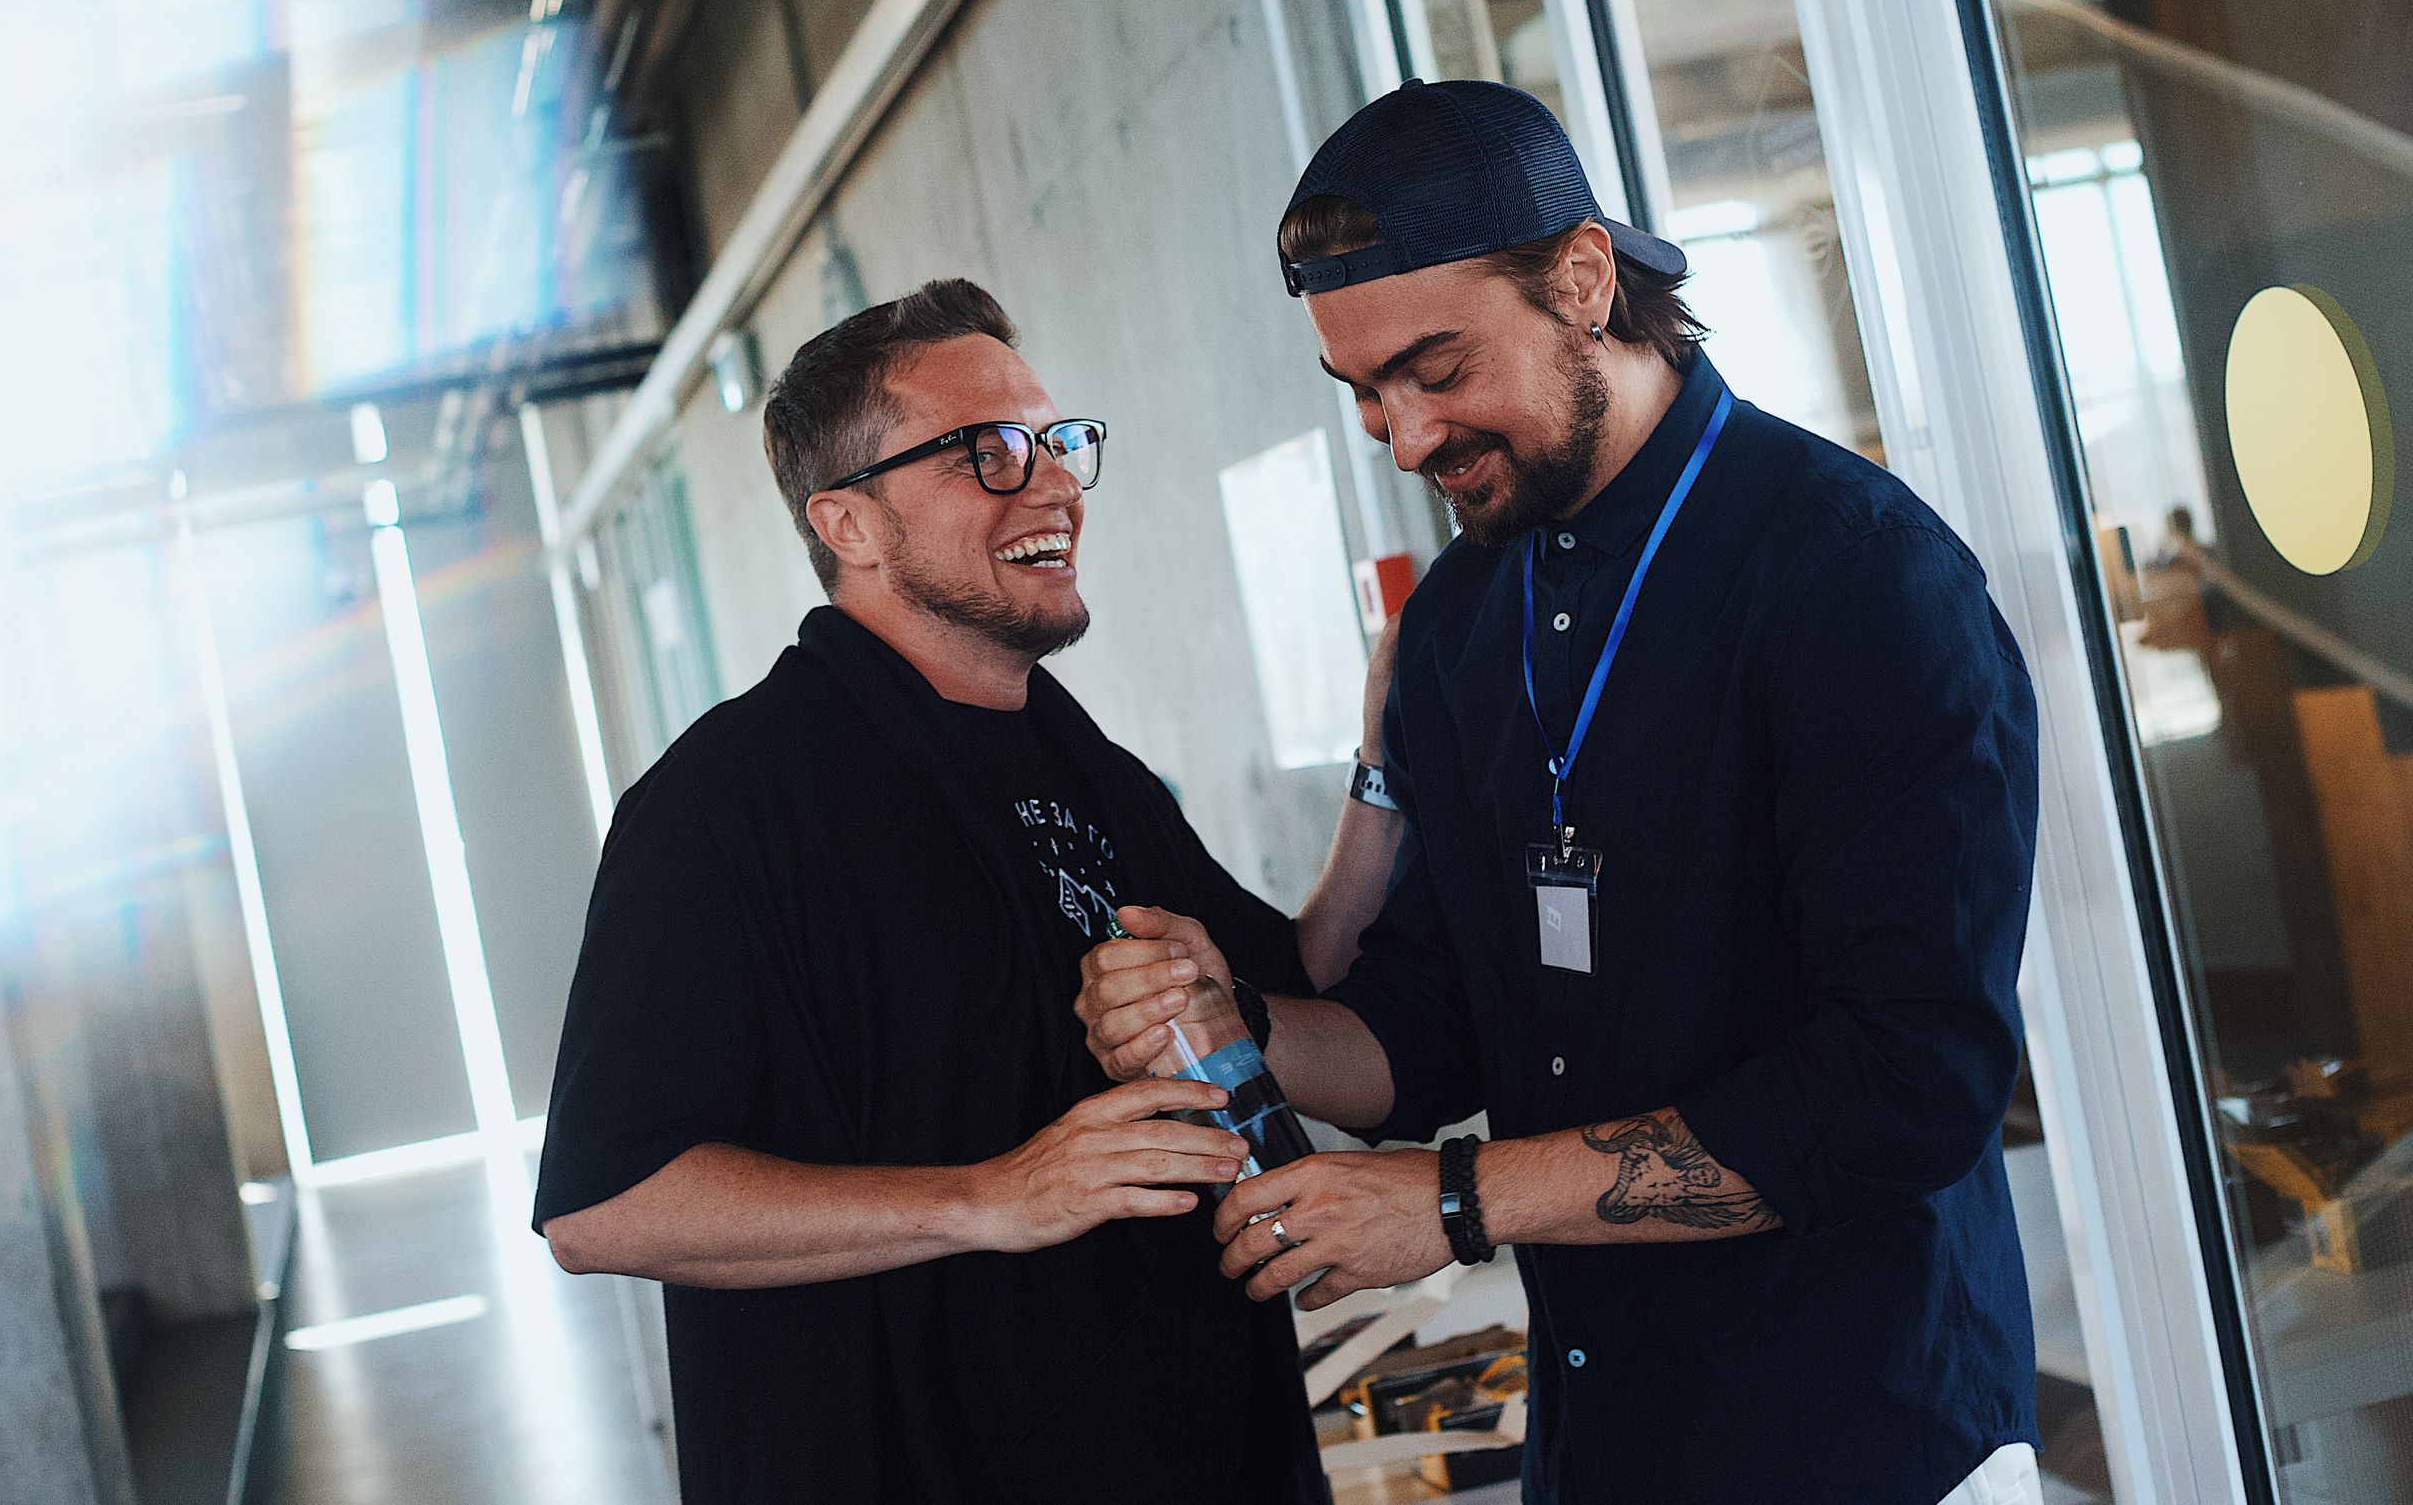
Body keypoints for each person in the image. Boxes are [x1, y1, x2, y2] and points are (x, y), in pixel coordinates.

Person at [1077, 80, 2044, 1505]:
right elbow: (1439, 1024)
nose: (1404, 439)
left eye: (1434, 367)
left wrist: (1457, 1205)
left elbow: (1908, 1087)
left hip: (1871, 1438)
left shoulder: (1856, 577)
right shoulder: (1468, 618)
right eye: (1362, 395)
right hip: (1607, 1444)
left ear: (1586, 280)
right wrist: (1241, 1031)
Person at [532, 278, 1397, 1503]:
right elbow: (605, 1205)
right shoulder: (726, 804)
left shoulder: (1085, 762)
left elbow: (1298, 983)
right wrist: (989, 1198)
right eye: (986, 452)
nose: (1050, 482)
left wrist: (1385, 757)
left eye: (1055, 441)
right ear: (852, 525)